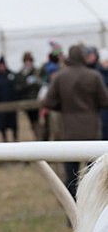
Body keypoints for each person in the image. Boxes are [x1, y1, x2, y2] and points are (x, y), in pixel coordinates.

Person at [43, 43, 108, 199]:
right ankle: (92, 211)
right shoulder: (94, 76)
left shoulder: (60, 76)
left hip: (69, 131)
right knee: (92, 177)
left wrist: (64, 107)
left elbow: (48, 102)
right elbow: (105, 101)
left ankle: (71, 212)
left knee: (71, 176)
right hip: (91, 131)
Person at [0, 56, 18, 142]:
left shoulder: (11, 75)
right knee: (3, 125)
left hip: (11, 104)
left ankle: (15, 139)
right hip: (1, 105)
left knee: (13, 124)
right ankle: (5, 140)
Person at [15, 52, 42, 139]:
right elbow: (18, 88)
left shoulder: (36, 72)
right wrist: (27, 83)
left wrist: (35, 81)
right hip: (26, 101)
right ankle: (37, 137)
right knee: (31, 121)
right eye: (26, 61)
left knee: (37, 121)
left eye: (29, 60)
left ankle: (39, 137)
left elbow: (40, 84)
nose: (28, 63)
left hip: (36, 100)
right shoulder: (21, 74)